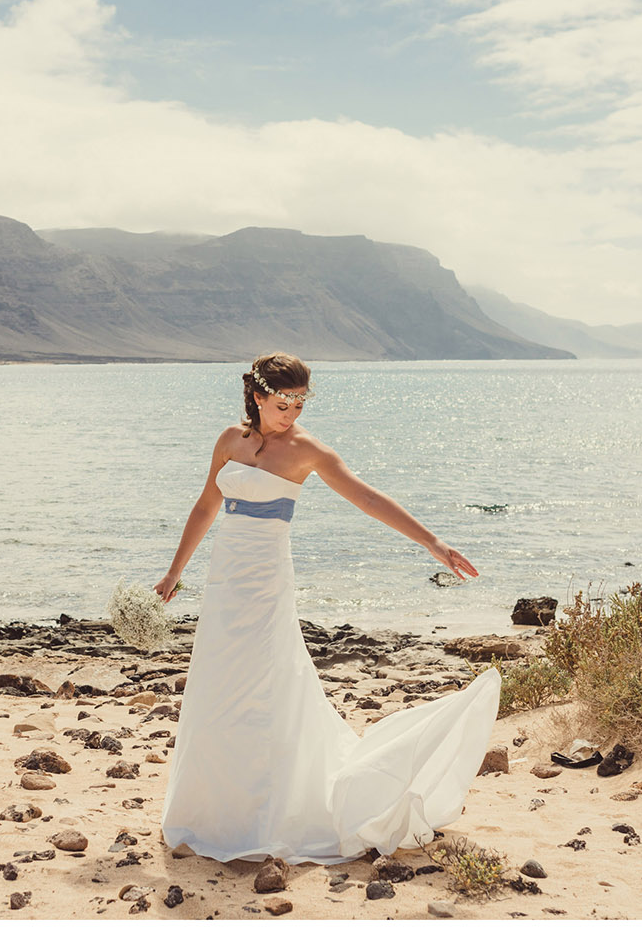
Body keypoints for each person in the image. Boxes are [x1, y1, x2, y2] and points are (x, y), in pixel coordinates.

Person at [156, 351, 502, 865]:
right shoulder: (230, 440)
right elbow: (206, 505)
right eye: (283, 402)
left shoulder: (308, 451)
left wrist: (434, 544)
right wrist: (174, 571)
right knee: (219, 680)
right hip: (224, 577)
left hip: (267, 580)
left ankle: (268, 811)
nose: (292, 413)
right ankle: (215, 809)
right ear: (257, 395)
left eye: (299, 403)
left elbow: (367, 499)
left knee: (265, 683)